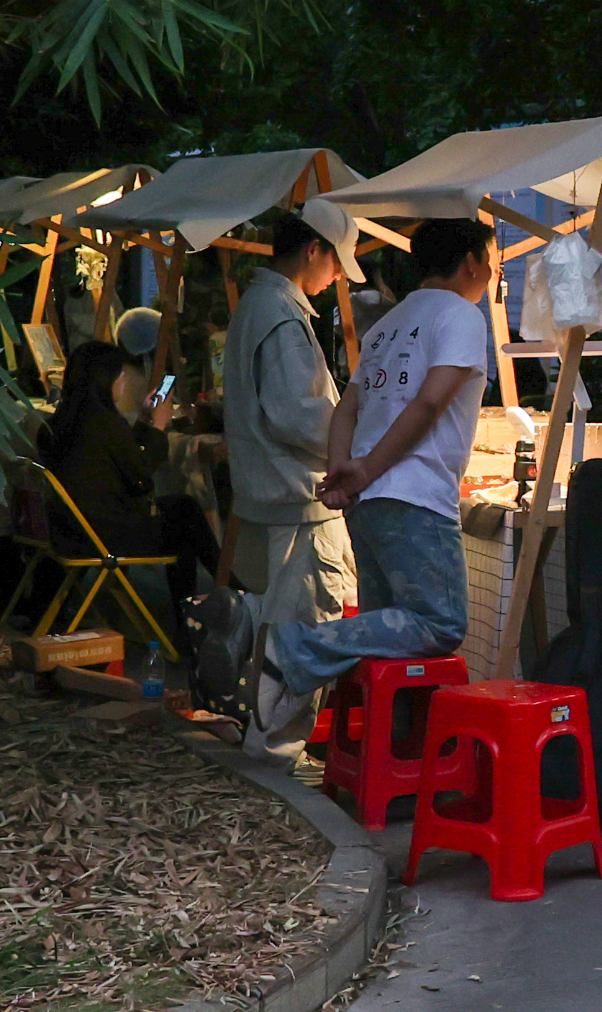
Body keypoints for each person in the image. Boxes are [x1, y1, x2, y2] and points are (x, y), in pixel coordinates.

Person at [197, 217, 497, 748]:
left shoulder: (388, 323)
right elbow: (429, 403)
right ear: (471, 262)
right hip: (415, 496)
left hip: (366, 499)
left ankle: (393, 752)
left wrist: (347, 469)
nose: (494, 272)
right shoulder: (462, 315)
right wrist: (362, 468)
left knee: (387, 632)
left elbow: (347, 410)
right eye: (493, 260)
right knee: (440, 624)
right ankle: (289, 647)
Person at [198, 200, 365, 768]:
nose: (338, 276)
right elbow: (299, 414)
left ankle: (246, 625)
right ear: (313, 250)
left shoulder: (257, 305)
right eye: (336, 263)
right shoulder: (281, 314)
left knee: (285, 624)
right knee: (304, 634)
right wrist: (359, 443)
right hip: (300, 500)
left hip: (268, 496)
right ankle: (275, 755)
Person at [40, 339, 213, 633]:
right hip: (103, 536)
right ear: (106, 381)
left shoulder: (59, 423)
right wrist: (159, 427)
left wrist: (144, 421)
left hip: (68, 530)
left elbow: (121, 458)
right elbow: (141, 478)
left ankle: (217, 593)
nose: (123, 383)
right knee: (184, 521)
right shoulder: (104, 423)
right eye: (120, 376)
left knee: (182, 508)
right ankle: (196, 614)